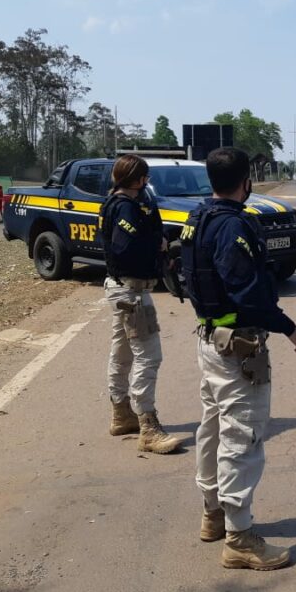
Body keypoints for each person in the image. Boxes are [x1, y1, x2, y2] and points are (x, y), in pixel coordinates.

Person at [181, 147, 296, 571]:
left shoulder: (197, 219)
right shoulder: (232, 225)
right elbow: (249, 296)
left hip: (209, 339)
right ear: (246, 182)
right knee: (242, 438)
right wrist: (291, 329)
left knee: (212, 429)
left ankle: (213, 514)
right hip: (237, 347)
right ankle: (239, 538)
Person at [98, 154, 181, 455]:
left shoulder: (117, 203)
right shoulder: (125, 208)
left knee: (122, 352)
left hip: (122, 289)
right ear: (137, 179)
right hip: (131, 292)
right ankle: (147, 425)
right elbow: (125, 248)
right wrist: (157, 244)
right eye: (145, 176)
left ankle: (121, 414)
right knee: (149, 355)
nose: (147, 182)